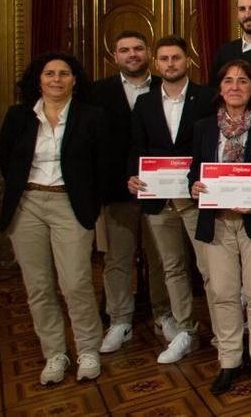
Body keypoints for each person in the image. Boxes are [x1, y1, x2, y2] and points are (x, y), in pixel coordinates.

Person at [0, 52, 107, 384]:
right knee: (39, 287)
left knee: (75, 283)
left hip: (69, 205)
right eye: (49, 73)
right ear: (38, 79)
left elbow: (102, 165)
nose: (56, 79)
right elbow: (7, 161)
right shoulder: (18, 116)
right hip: (27, 204)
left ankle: (88, 350)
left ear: (75, 79)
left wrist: (90, 201)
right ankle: (55, 353)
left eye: (64, 73)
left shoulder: (92, 116)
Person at [188, 59, 251, 396]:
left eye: (243, 81)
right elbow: (194, 171)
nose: (235, 87)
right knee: (223, 294)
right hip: (216, 222)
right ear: (219, 88)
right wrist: (194, 186)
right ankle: (228, 361)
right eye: (228, 81)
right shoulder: (203, 127)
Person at [126, 36, 217, 365]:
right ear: (155, 63)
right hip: (158, 199)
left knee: (209, 268)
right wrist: (132, 176)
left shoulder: (206, 97)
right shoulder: (145, 103)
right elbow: (137, 147)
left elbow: (213, 145)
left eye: (175, 58)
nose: (169, 64)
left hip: (196, 200)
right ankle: (186, 331)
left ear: (187, 61)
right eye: (163, 59)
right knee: (172, 267)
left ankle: (223, 330)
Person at [91, 30, 170, 355]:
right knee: (118, 259)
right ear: (115, 57)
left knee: (162, 259)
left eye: (138, 49)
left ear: (148, 53)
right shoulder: (97, 93)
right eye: (125, 50)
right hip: (116, 190)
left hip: (159, 189)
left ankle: (164, 315)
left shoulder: (164, 85)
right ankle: (119, 320)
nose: (132, 54)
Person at [209, 0, 251, 87]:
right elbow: (213, 90)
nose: (247, 15)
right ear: (237, 14)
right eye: (242, 9)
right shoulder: (224, 52)